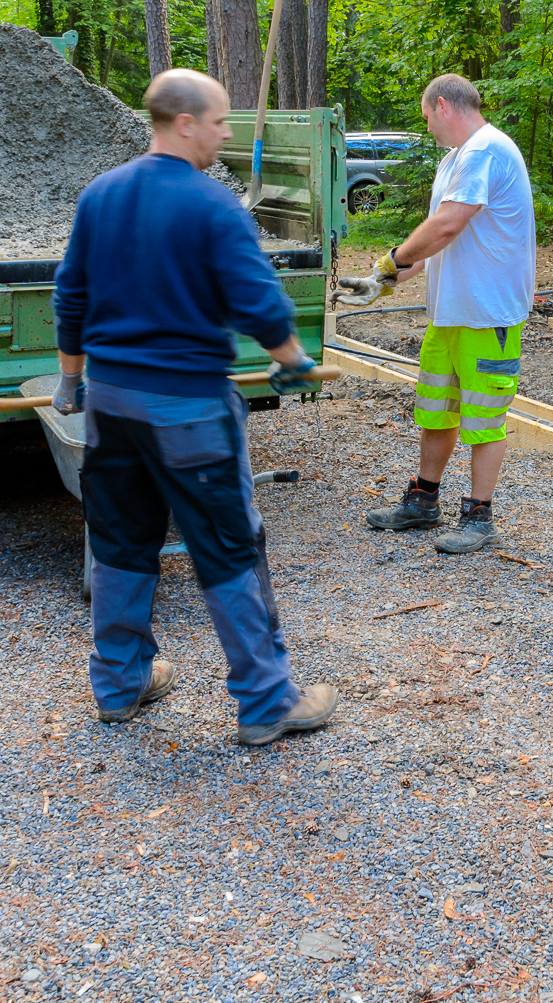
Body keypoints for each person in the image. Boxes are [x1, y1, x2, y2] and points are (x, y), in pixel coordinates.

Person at [51, 68, 338, 746]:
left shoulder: (101, 194)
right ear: (184, 123)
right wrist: (292, 358)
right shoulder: (213, 205)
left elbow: (71, 296)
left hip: (111, 405)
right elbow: (257, 299)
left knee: (120, 542)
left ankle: (120, 684)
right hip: (188, 410)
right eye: (219, 121)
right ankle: (267, 700)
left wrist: (70, 380)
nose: (226, 132)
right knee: (230, 545)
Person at [360, 74, 537, 553]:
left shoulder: (486, 150)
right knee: (436, 410)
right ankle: (424, 500)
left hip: (488, 314)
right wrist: (384, 280)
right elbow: (439, 242)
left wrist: (390, 261)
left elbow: (446, 226)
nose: (428, 127)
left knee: (484, 418)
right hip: (451, 312)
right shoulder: (455, 159)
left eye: (426, 118)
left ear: (442, 105)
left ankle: (479, 516)